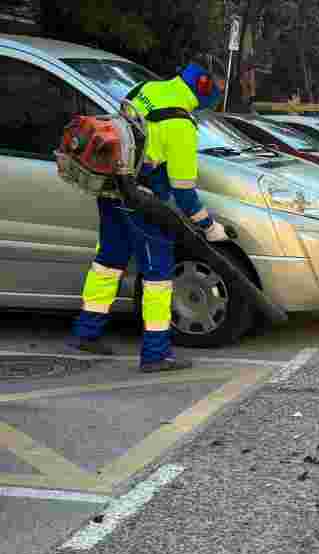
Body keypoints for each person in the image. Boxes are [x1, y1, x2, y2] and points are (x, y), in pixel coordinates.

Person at [70, 63, 228, 373]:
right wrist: (210, 227)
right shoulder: (182, 125)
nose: (220, 96)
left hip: (111, 189)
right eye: (219, 89)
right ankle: (156, 354)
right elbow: (184, 193)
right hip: (145, 203)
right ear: (205, 87)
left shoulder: (144, 89)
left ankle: (87, 332)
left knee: (108, 262)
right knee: (158, 276)